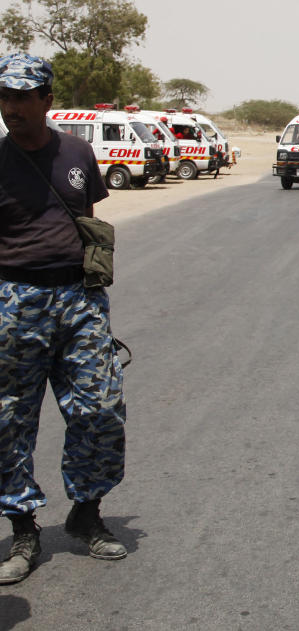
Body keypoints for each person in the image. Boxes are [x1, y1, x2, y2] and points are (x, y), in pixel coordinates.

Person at [0, 53, 128, 585]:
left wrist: (91, 287)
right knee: (10, 419)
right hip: (15, 302)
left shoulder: (77, 152)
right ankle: (22, 526)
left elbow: (87, 222)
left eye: (24, 97)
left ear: (47, 100)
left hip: (78, 300)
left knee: (101, 407)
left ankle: (86, 511)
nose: (13, 108)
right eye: (5, 97)